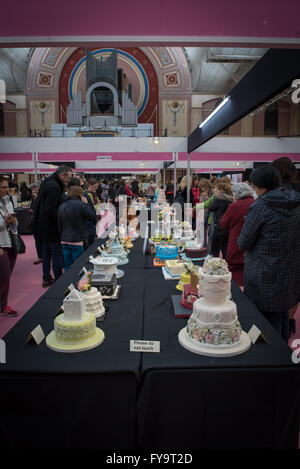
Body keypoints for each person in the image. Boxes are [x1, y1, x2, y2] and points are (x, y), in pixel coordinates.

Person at [238, 164, 300, 342]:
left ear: (262, 187)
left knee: (262, 324)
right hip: (288, 271)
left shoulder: (261, 206)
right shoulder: (295, 202)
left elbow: (243, 242)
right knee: (282, 317)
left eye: (254, 186)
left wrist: (247, 223)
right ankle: (281, 358)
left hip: (263, 273)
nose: (254, 190)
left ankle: (268, 362)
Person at [271, 157, 300, 336]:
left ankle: (284, 325)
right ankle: (289, 322)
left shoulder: (274, 197)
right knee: (294, 291)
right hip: (296, 252)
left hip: (279, 254)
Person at [33, 165, 72, 287]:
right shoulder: (54, 186)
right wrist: (61, 221)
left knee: (46, 252)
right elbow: (51, 209)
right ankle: (58, 279)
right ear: (62, 175)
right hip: (51, 226)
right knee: (55, 252)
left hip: (42, 224)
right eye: (68, 177)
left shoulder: (48, 182)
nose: (69, 180)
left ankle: (46, 278)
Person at [220, 182, 254, 286]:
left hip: (236, 240)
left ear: (237, 194)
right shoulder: (255, 203)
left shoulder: (234, 206)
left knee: (235, 272)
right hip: (252, 243)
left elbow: (223, 223)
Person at [58, 186, 96, 270]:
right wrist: (87, 204)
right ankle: (78, 282)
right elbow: (93, 217)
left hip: (64, 239)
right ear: (80, 194)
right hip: (78, 240)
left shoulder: (62, 206)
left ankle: (68, 282)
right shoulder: (81, 205)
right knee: (79, 267)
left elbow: (59, 224)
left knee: (67, 266)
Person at [0, 176, 19, 317]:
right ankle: (2, 306)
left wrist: (13, 221)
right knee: (3, 278)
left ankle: (2, 305)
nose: (6, 190)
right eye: (2, 187)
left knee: (6, 277)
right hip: (1, 244)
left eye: (7, 187)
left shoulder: (8, 201)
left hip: (11, 241)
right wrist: (4, 222)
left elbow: (12, 224)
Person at [208, 181, 233, 259]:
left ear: (221, 190)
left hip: (219, 226)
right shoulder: (230, 199)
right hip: (227, 226)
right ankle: (226, 265)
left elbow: (211, 208)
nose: (215, 193)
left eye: (216, 191)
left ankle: (214, 267)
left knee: (214, 250)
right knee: (225, 248)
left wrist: (215, 198)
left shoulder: (218, 199)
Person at [29, 183, 43, 265]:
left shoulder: (42, 197)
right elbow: (31, 207)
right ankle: (40, 256)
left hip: (42, 222)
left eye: (34, 189)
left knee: (42, 241)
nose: (33, 191)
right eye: (32, 189)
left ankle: (43, 256)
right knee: (37, 240)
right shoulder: (34, 198)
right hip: (35, 222)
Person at [84, 179, 100, 246]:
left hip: (94, 216)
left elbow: (98, 202)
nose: (96, 189)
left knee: (93, 235)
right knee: (91, 236)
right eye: (95, 187)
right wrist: (98, 205)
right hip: (89, 218)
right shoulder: (87, 194)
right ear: (89, 185)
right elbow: (91, 206)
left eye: (97, 187)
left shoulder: (94, 193)